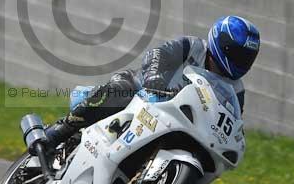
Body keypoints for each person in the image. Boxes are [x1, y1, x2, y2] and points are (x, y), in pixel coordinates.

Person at [42, 16, 261, 149]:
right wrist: (155, 80)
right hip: (141, 92)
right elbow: (158, 54)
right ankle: (61, 129)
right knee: (120, 91)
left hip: (175, 123)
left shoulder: (236, 90)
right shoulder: (193, 46)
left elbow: (232, 121)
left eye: (246, 58)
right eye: (237, 55)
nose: (240, 62)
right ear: (222, 45)